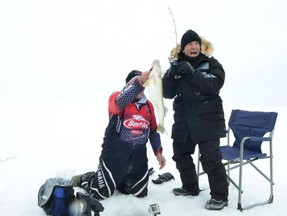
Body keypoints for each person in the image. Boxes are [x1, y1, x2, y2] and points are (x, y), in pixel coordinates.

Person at [72, 70, 166, 200]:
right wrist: (139, 82)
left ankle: (120, 180)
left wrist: (158, 152)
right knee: (101, 192)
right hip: (115, 153)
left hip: (138, 155)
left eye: (144, 84)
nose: (141, 87)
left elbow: (153, 131)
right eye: (137, 83)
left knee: (139, 193)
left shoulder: (148, 106)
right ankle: (87, 178)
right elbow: (118, 103)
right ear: (129, 85)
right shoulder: (117, 97)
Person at [162, 29, 228, 210]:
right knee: (180, 154)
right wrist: (170, 74)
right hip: (184, 119)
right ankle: (190, 187)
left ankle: (220, 196)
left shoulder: (211, 63)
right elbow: (167, 93)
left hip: (208, 119)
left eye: (197, 43)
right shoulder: (178, 65)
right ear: (183, 48)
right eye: (190, 44)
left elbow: (215, 85)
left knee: (210, 158)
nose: (194, 46)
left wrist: (192, 73)